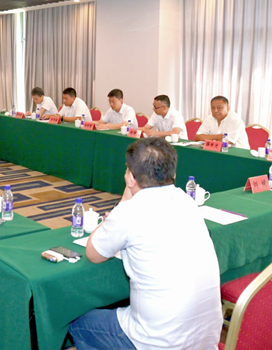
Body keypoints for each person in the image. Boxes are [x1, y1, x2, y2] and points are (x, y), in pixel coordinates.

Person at [70, 138, 222, 349]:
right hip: (206, 338)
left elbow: (93, 253)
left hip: (157, 342)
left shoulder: (129, 211)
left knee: (78, 325)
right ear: (173, 174)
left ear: (131, 177)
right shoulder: (187, 201)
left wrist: (124, 201)